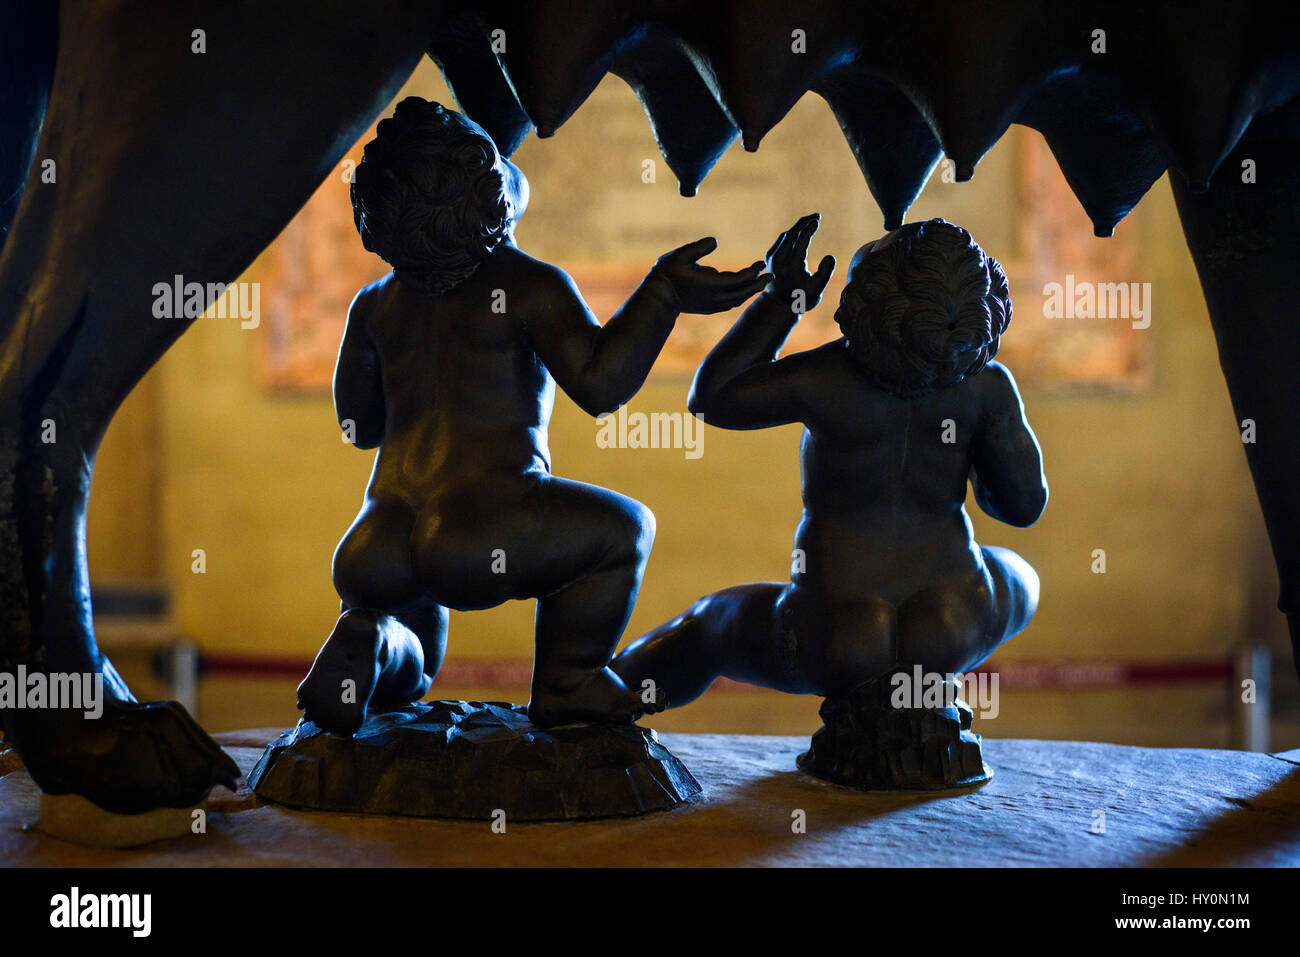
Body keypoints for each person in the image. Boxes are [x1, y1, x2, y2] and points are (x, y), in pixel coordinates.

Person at [297, 97, 770, 732]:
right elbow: (602, 386)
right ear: (485, 195)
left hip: (375, 541)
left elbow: (359, 425)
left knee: (412, 658)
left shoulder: (375, 304)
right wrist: (664, 295)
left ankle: (368, 639)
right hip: (478, 527)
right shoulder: (526, 284)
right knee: (624, 529)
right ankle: (569, 682)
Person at [611, 215, 1047, 706]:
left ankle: (602, 704)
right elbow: (1022, 506)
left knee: (707, 625)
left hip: (833, 632)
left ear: (871, 301)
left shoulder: (826, 377)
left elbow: (712, 399)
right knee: (1018, 572)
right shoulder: (987, 387)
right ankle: (925, 699)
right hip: (952, 622)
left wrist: (781, 302)